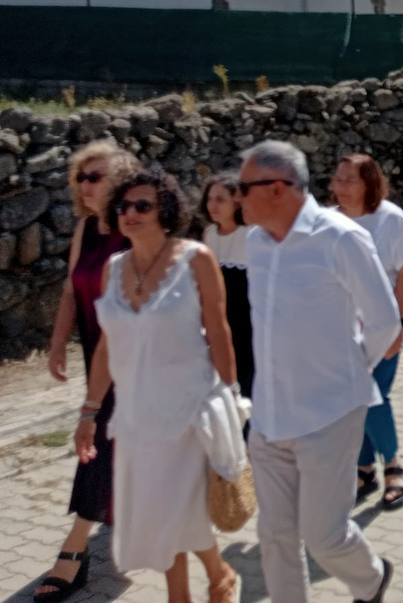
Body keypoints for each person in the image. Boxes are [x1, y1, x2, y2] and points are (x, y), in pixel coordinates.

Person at [238, 141, 399, 603]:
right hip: (269, 416)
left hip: (329, 413)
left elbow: (385, 321)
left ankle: (370, 581)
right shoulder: (254, 242)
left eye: (243, 187)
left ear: (276, 189)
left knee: (324, 537)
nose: (236, 196)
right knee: (275, 535)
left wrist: (347, 371)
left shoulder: (340, 237)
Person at [75, 168, 242, 603]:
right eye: (124, 206)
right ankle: (216, 571)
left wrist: (234, 399)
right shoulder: (113, 269)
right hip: (135, 417)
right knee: (162, 513)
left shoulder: (196, 259)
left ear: (165, 210)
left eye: (143, 205)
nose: (131, 213)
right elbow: (107, 347)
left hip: (190, 409)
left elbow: (219, 332)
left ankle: (184, 594)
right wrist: (89, 411)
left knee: (176, 510)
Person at [37, 142, 136, 602]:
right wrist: (58, 343)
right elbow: (70, 292)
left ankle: (74, 551)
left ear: (120, 180)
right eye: (82, 177)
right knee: (117, 442)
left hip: (133, 357)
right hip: (96, 350)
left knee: (95, 442)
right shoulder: (84, 228)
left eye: (96, 176)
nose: (85, 185)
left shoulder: (136, 228)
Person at [331, 155, 403, 512]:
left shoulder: (391, 219)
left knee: (374, 396)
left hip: (383, 328)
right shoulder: (329, 221)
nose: (341, 186)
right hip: (341, 329)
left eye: (349, 179)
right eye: (337, 179)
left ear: (369, 182)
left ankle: (393, 466)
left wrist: (397, 324)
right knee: (355, 401)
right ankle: (364, 469)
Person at [199, 173, 254, 401]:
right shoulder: (209, 234)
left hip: (248, 326)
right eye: (210, 199)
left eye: (220, 199)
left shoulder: (251, 235)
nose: (213, 205)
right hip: (220, 323)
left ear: (237, 202)